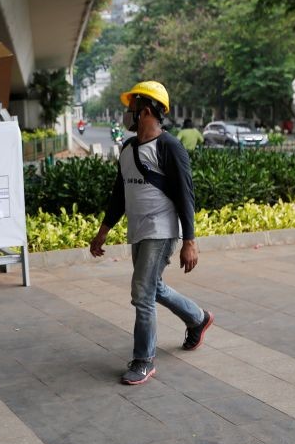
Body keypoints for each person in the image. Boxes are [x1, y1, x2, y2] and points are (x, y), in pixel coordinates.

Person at [89, 80, 213, 385]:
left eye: (131, 109)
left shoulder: (169, 147)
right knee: (153, 288)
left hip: (162, 229)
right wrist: (103, 231)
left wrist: (190, 241)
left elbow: (186, 194)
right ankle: (198, 318)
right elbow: (120, 193)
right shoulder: (128, 148)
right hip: (139, 230)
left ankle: (144, 359)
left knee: (142, 293)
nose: (126, 115)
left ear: (145, 111)